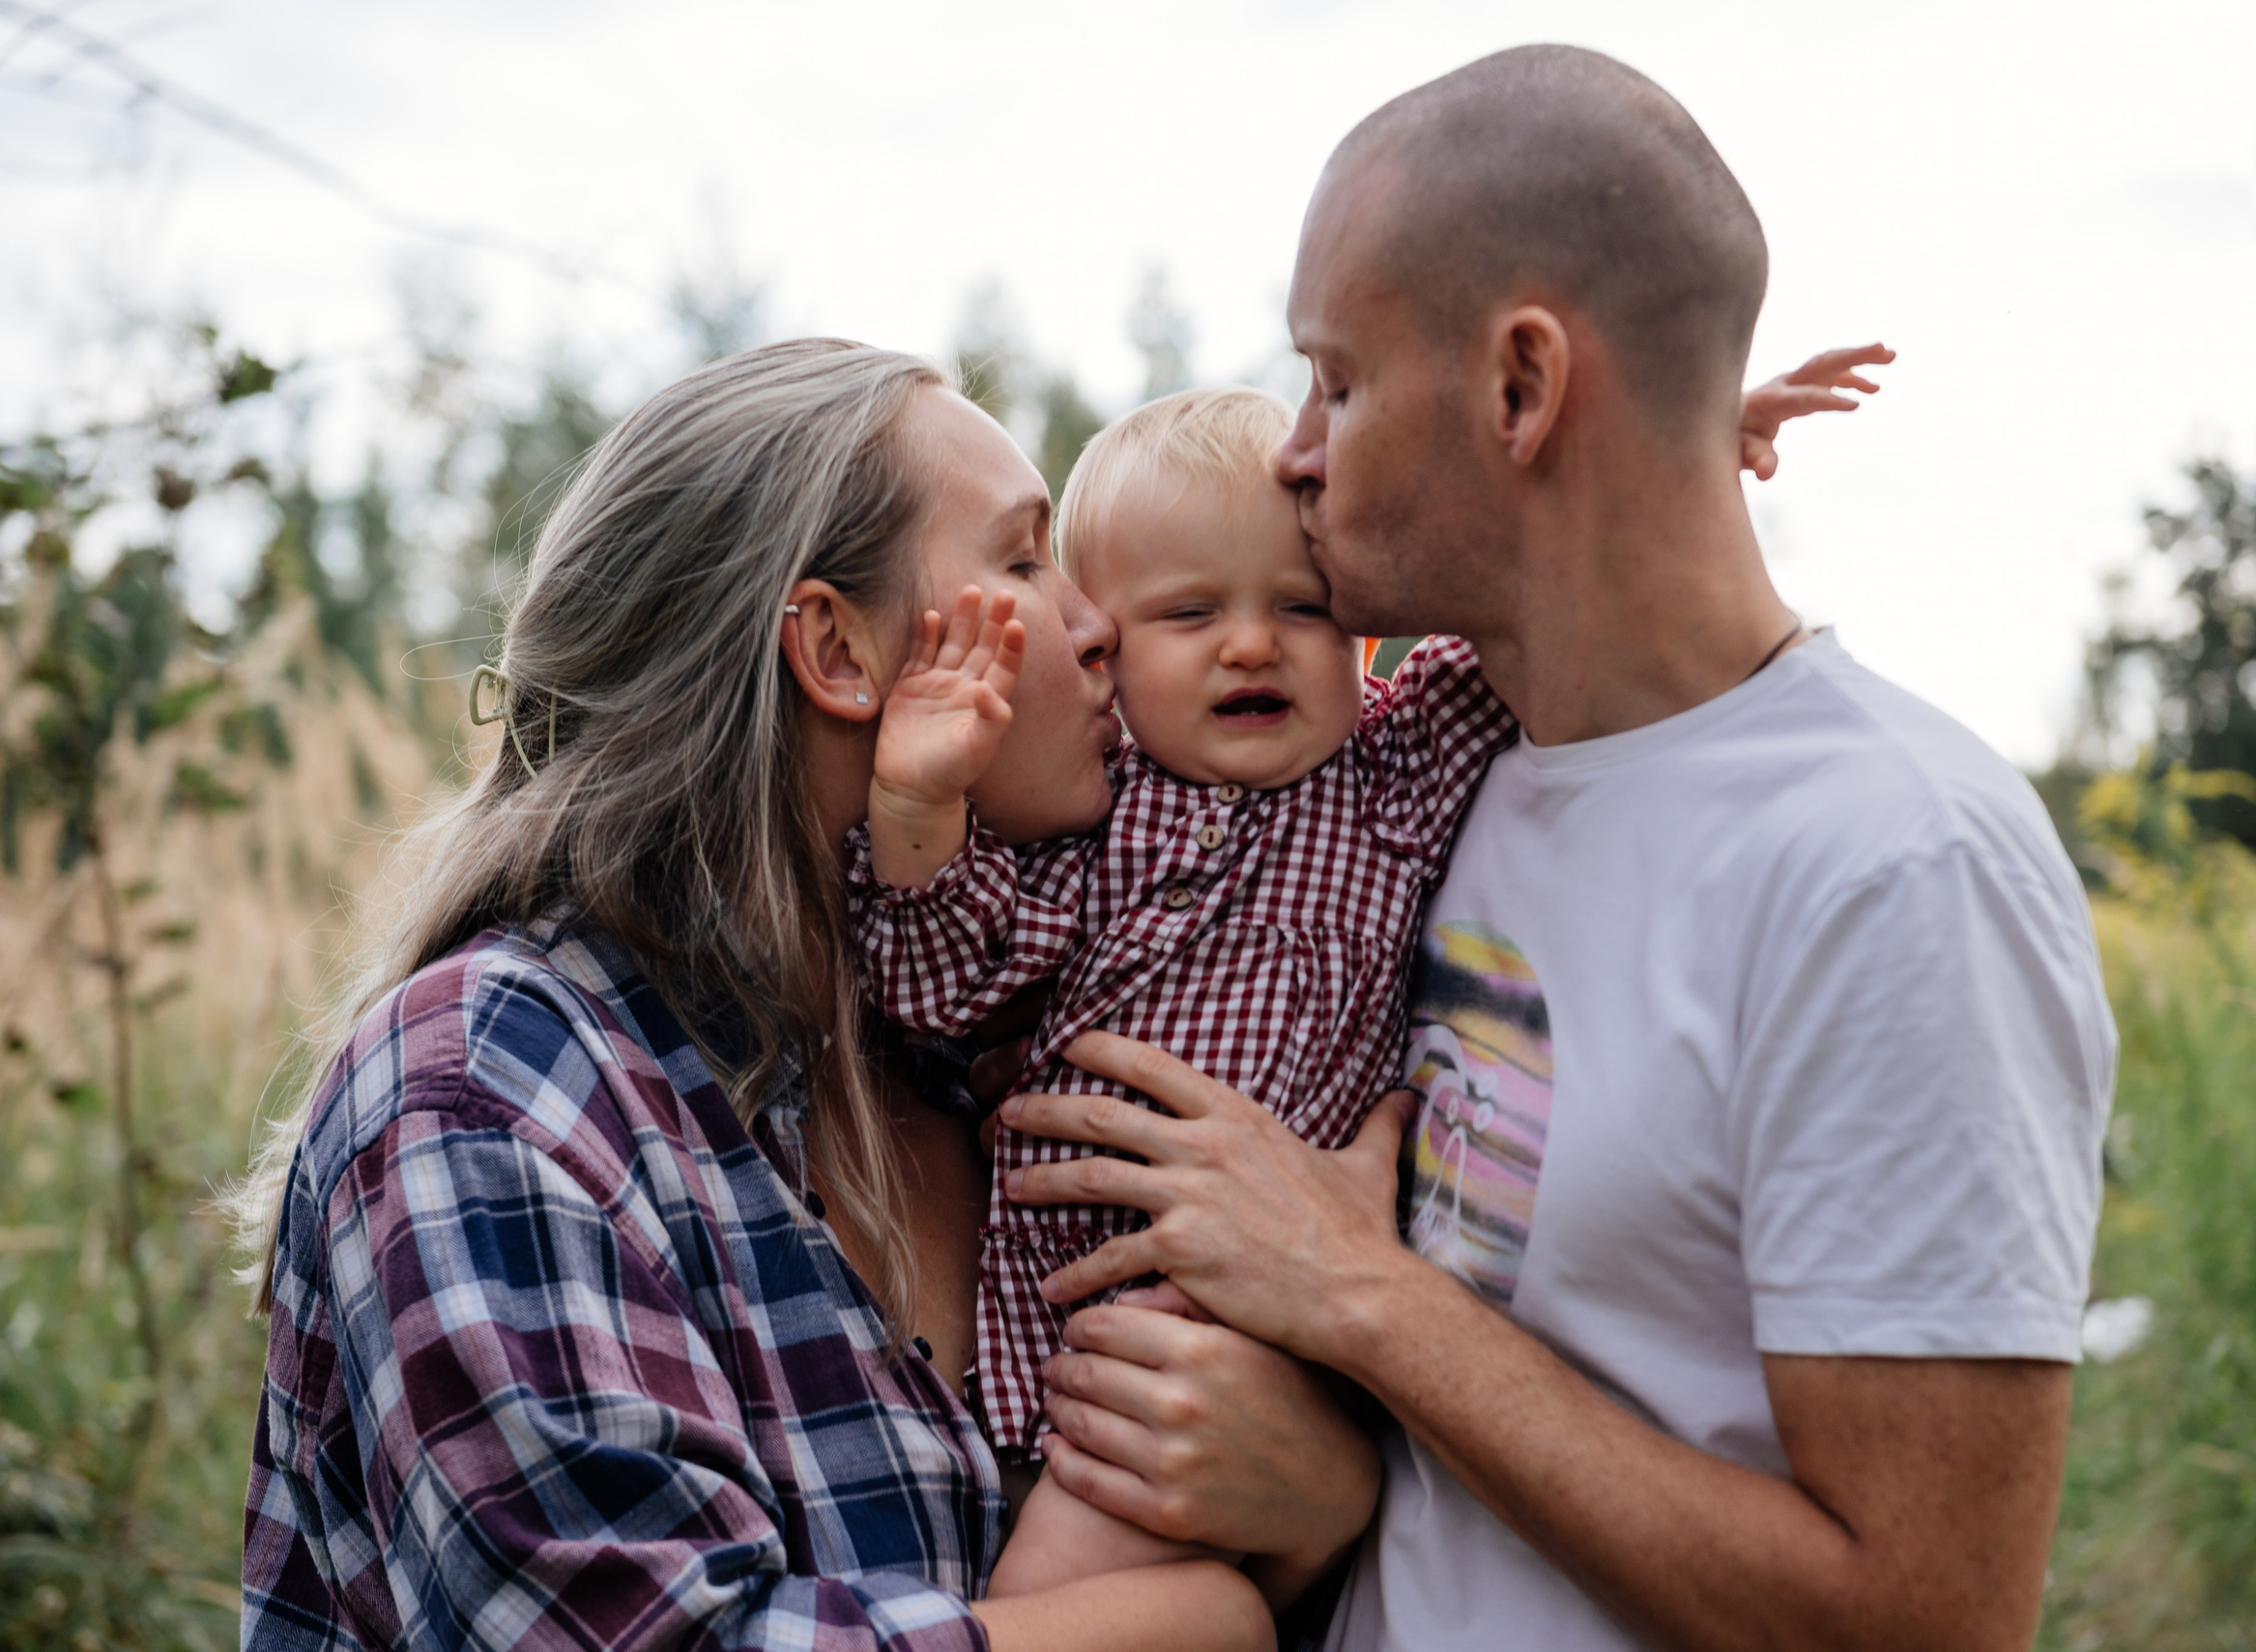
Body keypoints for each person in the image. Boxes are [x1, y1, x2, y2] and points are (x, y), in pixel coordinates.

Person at [994, 45, 2117, 1652]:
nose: (1295, 450)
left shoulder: (1892, 862)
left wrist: (1370, 1302)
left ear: (1520, 387)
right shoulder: (1434, 783)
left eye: (1338, 379)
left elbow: (1923, 1616)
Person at [234, 339, 1378, 1652]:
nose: (1093, 623)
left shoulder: (979, 1052)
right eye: (1020, 562)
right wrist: (1204, 1618)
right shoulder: (490, 1093)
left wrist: (1323, 1501)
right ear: (836, 649)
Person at [848, 374, 1874, 1601]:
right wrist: (916, 810)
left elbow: (1546, 603)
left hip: (1276, 1309)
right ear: (1103, 646)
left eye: (1302, 606)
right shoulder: (1094, 827)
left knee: (1126, 1586)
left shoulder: (1387, 777)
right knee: (1098, 1587)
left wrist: (1663, 457)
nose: (1251, 641)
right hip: (1093, 1323)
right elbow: (940, 974)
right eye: (1189, 614)